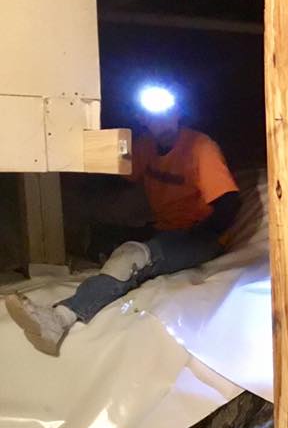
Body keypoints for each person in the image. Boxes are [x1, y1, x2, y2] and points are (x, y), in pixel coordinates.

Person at [5, 84, 241, 356]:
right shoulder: (146, 147)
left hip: (201, 237)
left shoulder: (200, 147)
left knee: (132, 256)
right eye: (152, 116)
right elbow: (117, 175)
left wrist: (191, 239)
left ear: (178, 113)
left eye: (166, 113)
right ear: (143, 119)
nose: (159, 122)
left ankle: (60, 318)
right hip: (165, 229)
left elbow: (229, 204)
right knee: (113, 243)